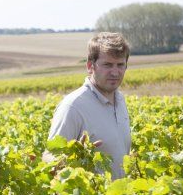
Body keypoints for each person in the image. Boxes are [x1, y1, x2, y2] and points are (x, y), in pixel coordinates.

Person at [47, 32, 131, 180]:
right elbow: (50, 159)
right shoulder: (73, 106)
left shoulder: (120, 100)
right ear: (90, 66)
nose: (115, 72)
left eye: (120, 65)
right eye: (107, 65)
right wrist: (76, 155)